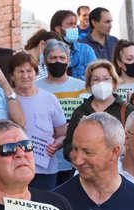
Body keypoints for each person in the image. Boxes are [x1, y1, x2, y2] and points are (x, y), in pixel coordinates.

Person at [9, 51, 66, 190]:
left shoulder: (49, 99)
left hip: (45, 171)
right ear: (12, 75)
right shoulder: (6, 98)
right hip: (12, 170)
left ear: (36, 73)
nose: (25, 76)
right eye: (20, 71)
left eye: (29, 71)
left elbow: (63, 134)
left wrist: (57, 144)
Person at [34, 39, 86, 185]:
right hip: (44, 158)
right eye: (53, 58)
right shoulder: (35, 87)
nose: (58, 61)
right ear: (45, 60)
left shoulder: (82, 87)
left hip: (72, 159)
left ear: (68, 60)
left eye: (62, 58)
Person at [62, 60, 134, 157]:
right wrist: (78, 157)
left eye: (106, 79)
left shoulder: (128, 110)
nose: (101, 83)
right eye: (96, 79)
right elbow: (68, 145)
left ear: (114, 82)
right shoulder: (80, 112)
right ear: (89, 84)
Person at [49, 9, 98, 80]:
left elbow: (95, 75)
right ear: (58, 29)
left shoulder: (86, 50)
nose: (75, 27)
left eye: (75, 24)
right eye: (71, 24)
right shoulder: (48, 52)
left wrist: (74, 83)